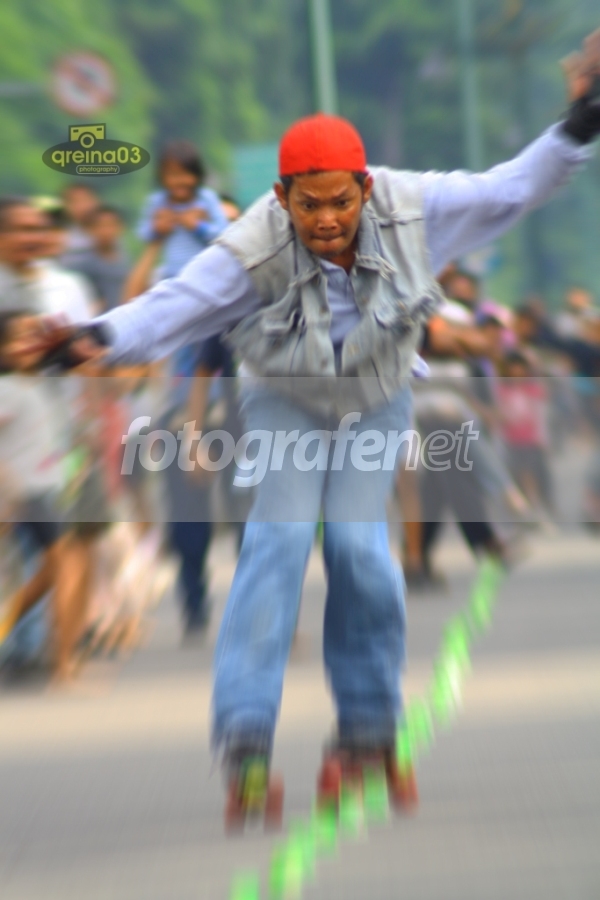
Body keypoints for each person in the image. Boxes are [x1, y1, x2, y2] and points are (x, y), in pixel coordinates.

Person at [18, 34, 600, 826]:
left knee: (362, 551)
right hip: (283, 398)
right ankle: (245, 735)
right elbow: (173, 306)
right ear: (281, 197)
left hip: (376, 394)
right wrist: (91, 338)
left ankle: (367, 728)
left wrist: (578, 123)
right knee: (278, 544)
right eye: (308, 206)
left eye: (341, 202)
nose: (327, 221)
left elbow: (511, 188)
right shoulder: (251, 246)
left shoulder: (415, 206)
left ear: (366, 187)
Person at [62, 205, 131, 312]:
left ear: (121, 227)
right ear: (89, 230)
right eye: (100, 226)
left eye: (111, 225)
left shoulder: (126, 260)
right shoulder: (82, 265)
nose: (106, 231)